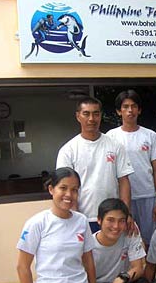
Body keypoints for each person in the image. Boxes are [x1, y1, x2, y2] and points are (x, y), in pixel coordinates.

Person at [16, 167, 101, 283]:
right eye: (63, 188)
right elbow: (22, 267)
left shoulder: (81, 221)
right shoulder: (37, 223)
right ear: (51, 189)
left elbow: (88, 261)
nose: (69, 194)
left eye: (75, 189)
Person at [56, 96, 134, 233]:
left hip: (113, 219)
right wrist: (75, 219)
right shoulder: (68, 150)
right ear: (78, 116)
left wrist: (125, 213)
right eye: (86, 114)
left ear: (100, 116)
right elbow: (65, 189)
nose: (91, 119)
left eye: (96, 114)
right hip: (82, 220)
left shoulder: (115, 146)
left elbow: (124, 181)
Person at [107, 90, 156, 249]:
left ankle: (151, 274)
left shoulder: (150, 135)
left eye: (133, 106)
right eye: (125, 107)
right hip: (122, 200)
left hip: (148, 196)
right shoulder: (110, 137)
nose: (130, 110)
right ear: (119, 111)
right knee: (126, 242)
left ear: (139, 110)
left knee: (150, 242)